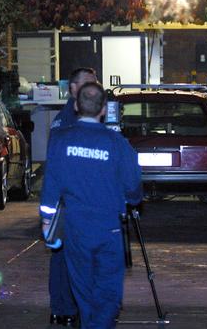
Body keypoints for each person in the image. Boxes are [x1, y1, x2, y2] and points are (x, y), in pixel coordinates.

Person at [40, 82, 143, 329]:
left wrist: (47, 223)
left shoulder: (60, 141)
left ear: (76, 106)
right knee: (108, 292)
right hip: (110, 230)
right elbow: (134, 188)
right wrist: (132, 199)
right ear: (104, 109)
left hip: (76, 230)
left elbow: (50, 187)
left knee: (83, 290)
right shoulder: (118, 144)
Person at [46, 68, 97, 326]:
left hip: (86, 200)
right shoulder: (65, 121)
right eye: (89, 83)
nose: (94, 87)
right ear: (74, 89)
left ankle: (75, 306)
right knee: (63, 256)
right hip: (69, 201)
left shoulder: (93, 114)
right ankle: (64, 308)